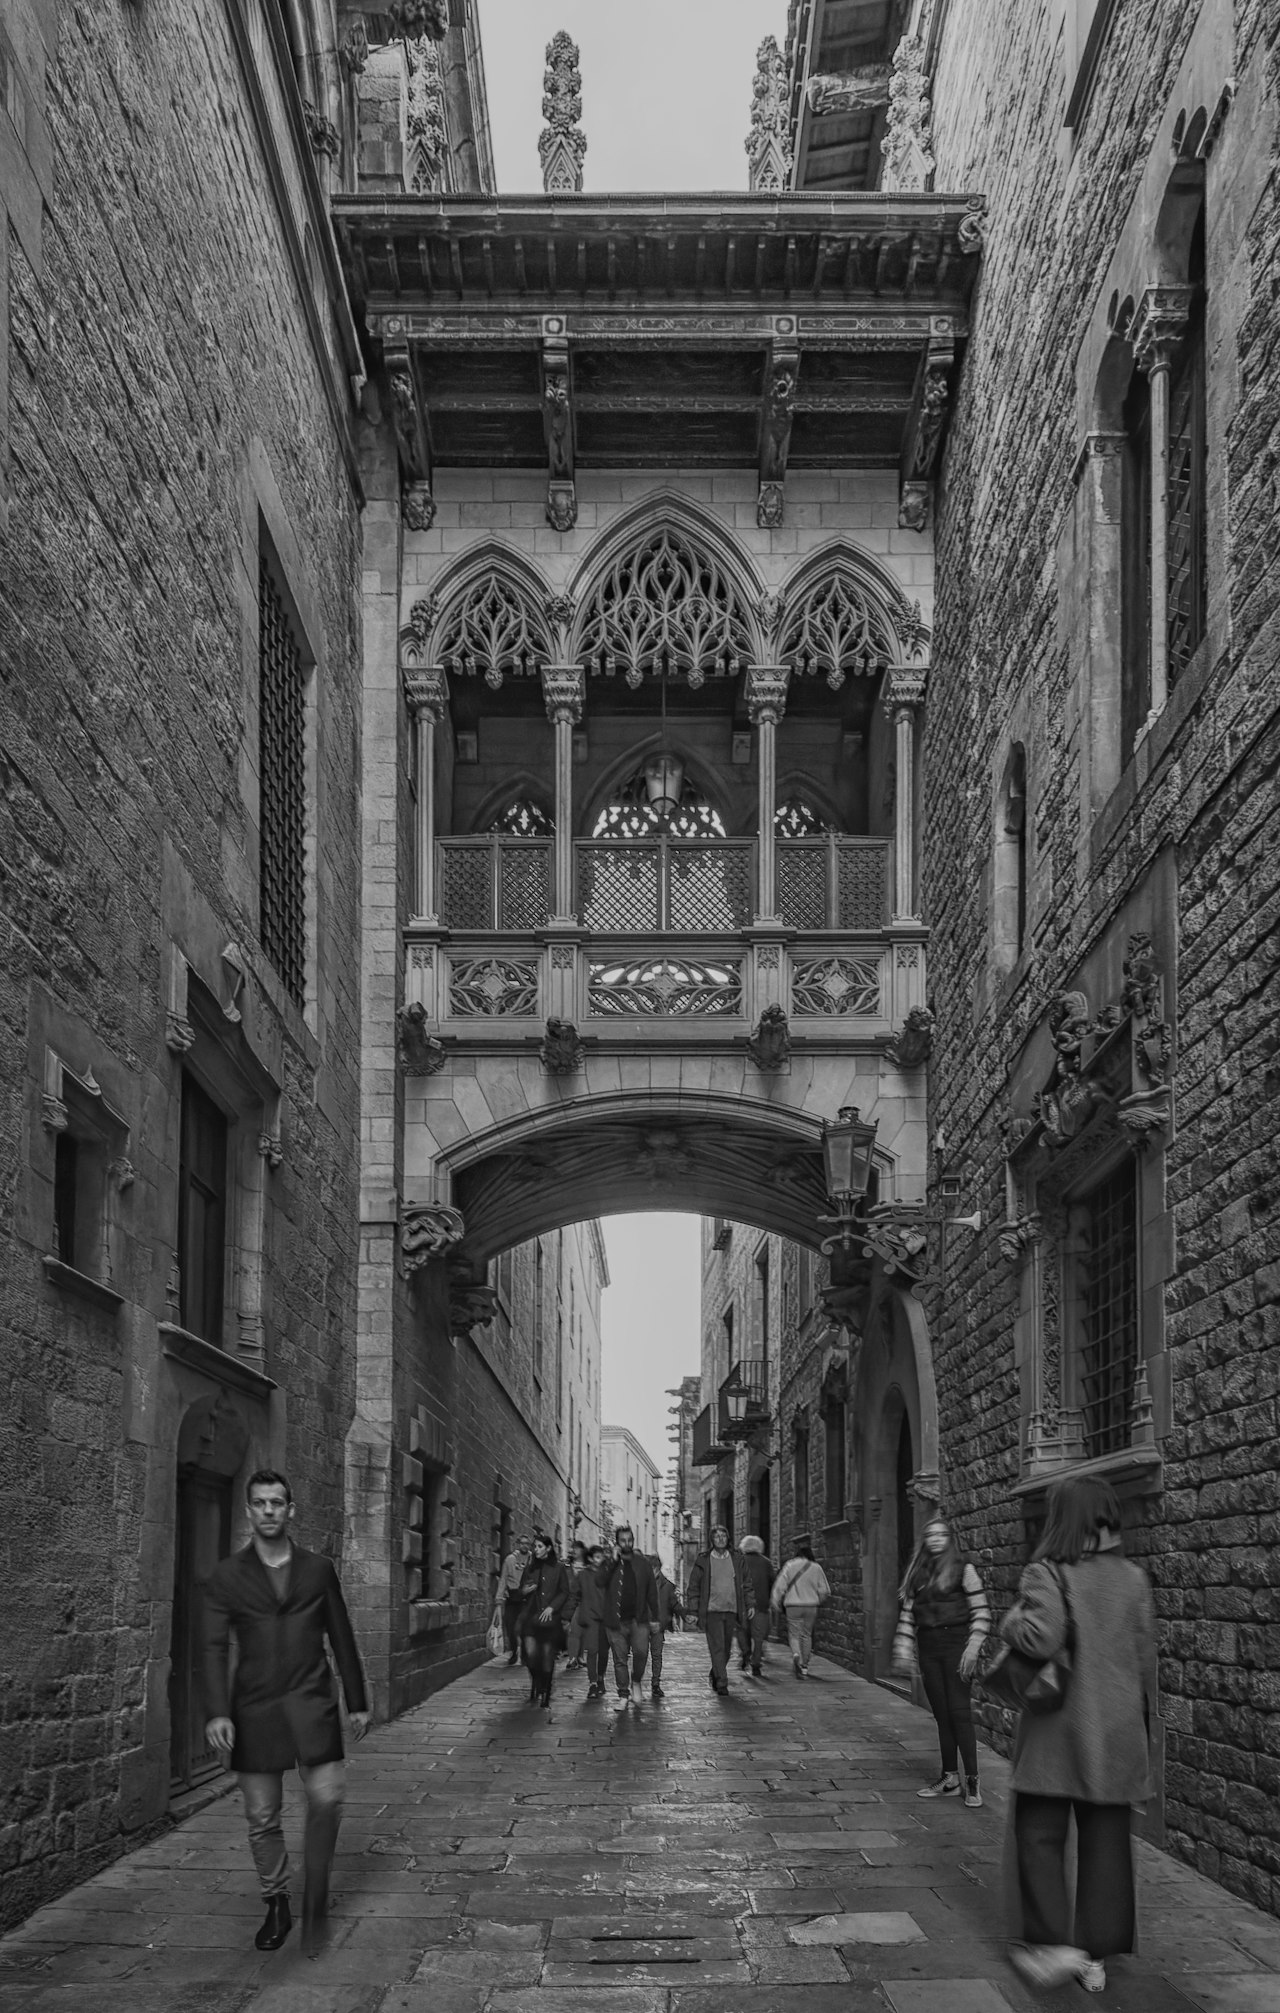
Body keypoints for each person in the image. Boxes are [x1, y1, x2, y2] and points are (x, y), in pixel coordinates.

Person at [999, 1474, 1157, 1996]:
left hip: (1058, 1730)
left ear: (1061, 1518)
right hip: (1115, 1732)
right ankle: (1096, 1956)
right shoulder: (1134, 1578)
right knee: (1107, 1841)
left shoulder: (1048, 1571)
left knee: (1040, 1834)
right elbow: (1143, 1657)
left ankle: (1050, 1943)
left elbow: (1040, 1637)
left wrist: (1008, 1623)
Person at [202, 1470, 368, 1957]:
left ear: (290, 1509)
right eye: (260, 1503)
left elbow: (341, 1634)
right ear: (249, 1511)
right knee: (262, 1816)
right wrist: (216, 1711)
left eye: (278, 1502)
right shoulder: (227, 1575)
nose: (269, 1510)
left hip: (312, 1702)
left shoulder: (318, 1569)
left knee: (327, 1800)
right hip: (253, 1708)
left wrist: (355, 1701)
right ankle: (277, 1901)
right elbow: (211, 1647)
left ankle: (316, 1903)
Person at [891, 1515, 992, 1808]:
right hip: (929, 1646)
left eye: (941, 1535)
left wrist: (973, 1649)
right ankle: (950, 1778)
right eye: (930, 1535)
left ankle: (972, 1780)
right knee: (942, 1714)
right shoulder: (917, 1572)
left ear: (949, 1539)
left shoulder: (964, 1569)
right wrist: (902, 1647)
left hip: (956, 1644)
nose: (935, 1539)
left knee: (960, 1712)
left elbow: (982, 1612)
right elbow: (908, 1615)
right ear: (925, 1540)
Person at [597, 1525, 659, 1709]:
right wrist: (612, 1561)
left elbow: (651, 1592)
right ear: (617, 1542)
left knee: (641, 1652)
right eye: (623, 1540)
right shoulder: (609, 1562)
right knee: (619, 1659)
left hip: (638, 1619)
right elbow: (599, 1581)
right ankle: (623, 1694)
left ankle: (637, 1681)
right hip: (615, 1621)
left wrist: (655, 1617)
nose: (627, 1543)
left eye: (629, 1540)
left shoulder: (642, 1563)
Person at [686, 1525, 752, 1695]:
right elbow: (694, 1587)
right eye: (717, 1536)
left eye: (723, 1535)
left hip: (731, 1610)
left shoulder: (737, 1558)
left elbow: (747, 1584)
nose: (721, 1539)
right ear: (712, 1540)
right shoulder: (704, 1560)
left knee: (727, 1649)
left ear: (728, 1538)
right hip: (711, 1611)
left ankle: (716, 1671)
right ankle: (722, 1682)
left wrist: (750, 1604)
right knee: (717, 1648)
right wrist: (693, 1610)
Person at [516, 1532, 575, 1711]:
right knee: (531, 1655)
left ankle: (546, 1692)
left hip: (550, 1620)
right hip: (531, 1619)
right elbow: (521, 1589)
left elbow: (565, 1591)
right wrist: (526, 1591)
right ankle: (538, 1680)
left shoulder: (558, 1568)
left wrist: (552, 1608)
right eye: (535, 1547)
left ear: (548, 1548)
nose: (536, 1550)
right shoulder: (530, 1567)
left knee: (548, 1657)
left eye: (539, 1547)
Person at [769, 1542, 830, 1678]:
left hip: (793, 1606)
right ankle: (804, 1666)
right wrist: (817, 1600)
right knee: (806, 1635)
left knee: (794, 1634)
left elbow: (780, 1586)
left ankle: (796, 1654)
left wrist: (775, 1601)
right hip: (811, 1606)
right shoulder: (816, 1567)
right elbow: (824, 1590)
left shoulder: (790, 1565)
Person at [574, 1542, 610, 1698]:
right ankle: (593, 1682)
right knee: (592, 1650)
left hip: (606, 1618)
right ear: (590, 1558)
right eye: (596, 1557)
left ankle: (601, 1677)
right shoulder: (583, 1575)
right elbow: (575, 1594)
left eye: (601, 1557)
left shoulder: (607, 1575)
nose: (599, 1560)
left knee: (603, 1651)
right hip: (590, 1618)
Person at [647, 1553, 683, 1699]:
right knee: (640, 1656)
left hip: (658, 1626)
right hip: (642, 1626)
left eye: (654, 1569)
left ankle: (656, 1683)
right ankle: (635, 1683)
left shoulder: (667, 1586)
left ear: (658, 1568)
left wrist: (686, 1615)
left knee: (656, 1655)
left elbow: (674, 1604)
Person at [737, 1535, 774, 1675]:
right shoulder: (766, 1563)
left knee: (741, 1631)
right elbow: (772, 1582)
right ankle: (756, 1663)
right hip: (761, 1604)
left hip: (742, 1605)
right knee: (758, 1636)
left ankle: (745, 1653)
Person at [497, 1534, 532, 1665]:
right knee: (510, 1625)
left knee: (524, 1627)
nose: (524, 1545)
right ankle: (513, 1651)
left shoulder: (532, 1559)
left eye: (527, 1543)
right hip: (512, 1597)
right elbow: (503, 1579)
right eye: (522, 1543)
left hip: (526, 1597)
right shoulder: (510, 1560)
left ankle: (524, 1653)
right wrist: (499, 1597)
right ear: (518, 1544)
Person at [563, 1541, 589, 1668]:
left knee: (579, 1629)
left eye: (577, 1548)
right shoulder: (567, 1566)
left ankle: (577, 1657)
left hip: (583, 1602)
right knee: (573, 1630)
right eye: (573, 1548)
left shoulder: (587, 1566)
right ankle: (574, 1656)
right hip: (570, 1601)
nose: (574, 1550)